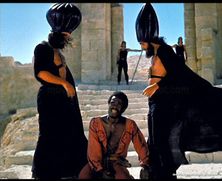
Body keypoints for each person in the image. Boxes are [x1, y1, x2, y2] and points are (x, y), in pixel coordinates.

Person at [136, 3, 222, 180]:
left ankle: (164, 171)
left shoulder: (165, 51)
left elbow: (178, 74)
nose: (142, 47)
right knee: (156, 138)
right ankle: (157, 169)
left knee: (163, 137)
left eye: (142, 43)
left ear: (149, 40)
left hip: (164, 100)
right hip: (156, 102)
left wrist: (156, 86)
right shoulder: (157, 52)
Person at [32, 3, 87, 179]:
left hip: (64, 102)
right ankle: (43, 174)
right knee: (49, 136)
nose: (68, 37)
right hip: (50, 100)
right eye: (65, 34)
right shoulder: (42, 48)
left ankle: (68, 172)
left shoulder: (57, 51)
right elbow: (41, 72)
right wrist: (65, 84)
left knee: (70, 135)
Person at [79, 91, 150, 179]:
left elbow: (141, 145)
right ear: (108, 104)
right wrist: (100, 170)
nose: (115, 106)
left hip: (117, 161)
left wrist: (145, 165)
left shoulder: (130, 125)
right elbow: (93, 150)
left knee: (122, 177)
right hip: (97, 162)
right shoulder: (95, 123)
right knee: (83, 176)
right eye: (113, 102)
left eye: (119, 104)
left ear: (123, 108)